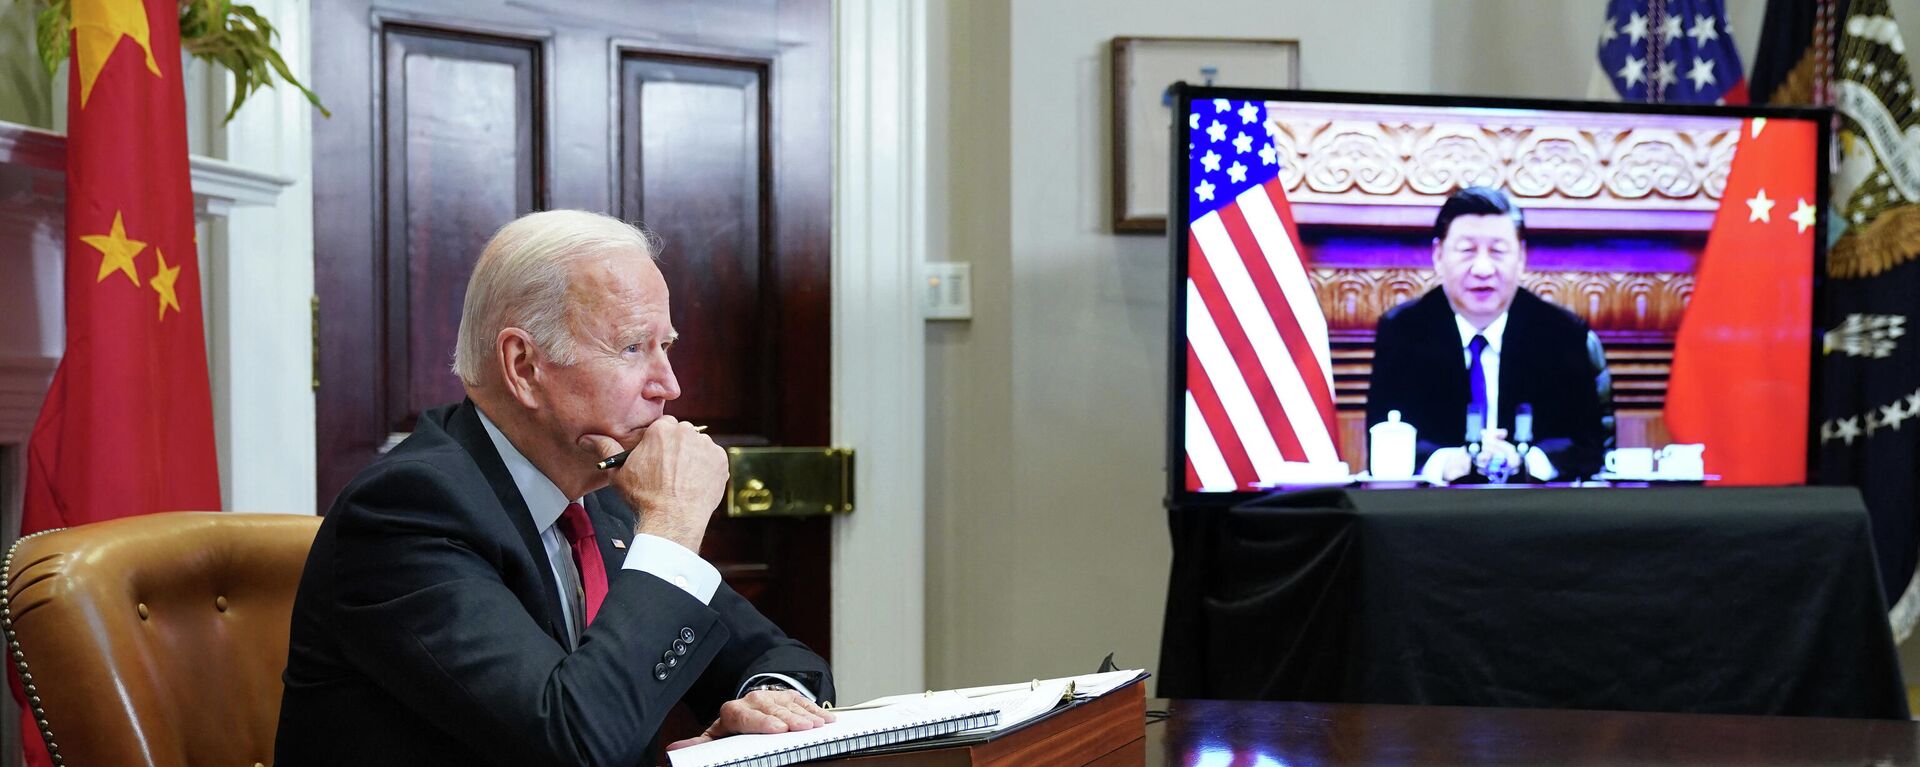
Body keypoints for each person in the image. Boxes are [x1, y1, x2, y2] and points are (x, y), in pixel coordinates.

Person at [274, 210, 834, 765]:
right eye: (633, 348)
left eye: (667, 346)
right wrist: (673, 524)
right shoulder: (407, 512)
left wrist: (771, 702)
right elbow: (572, 744)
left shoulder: (598, 490)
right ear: (523, 365)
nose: (670, 385)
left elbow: (783, 657)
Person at [1365, 186, 1611, 483]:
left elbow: (1587, 446)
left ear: (1521, 257)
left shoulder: (1561, 333)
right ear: (1438, 255)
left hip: (1538, 513)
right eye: (1467, 251)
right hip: (1435, 513)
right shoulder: (1404, 331)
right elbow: (1385, 439)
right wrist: (1446, 462)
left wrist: (1525, 461)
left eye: (1497, 251)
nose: (1483, 268)